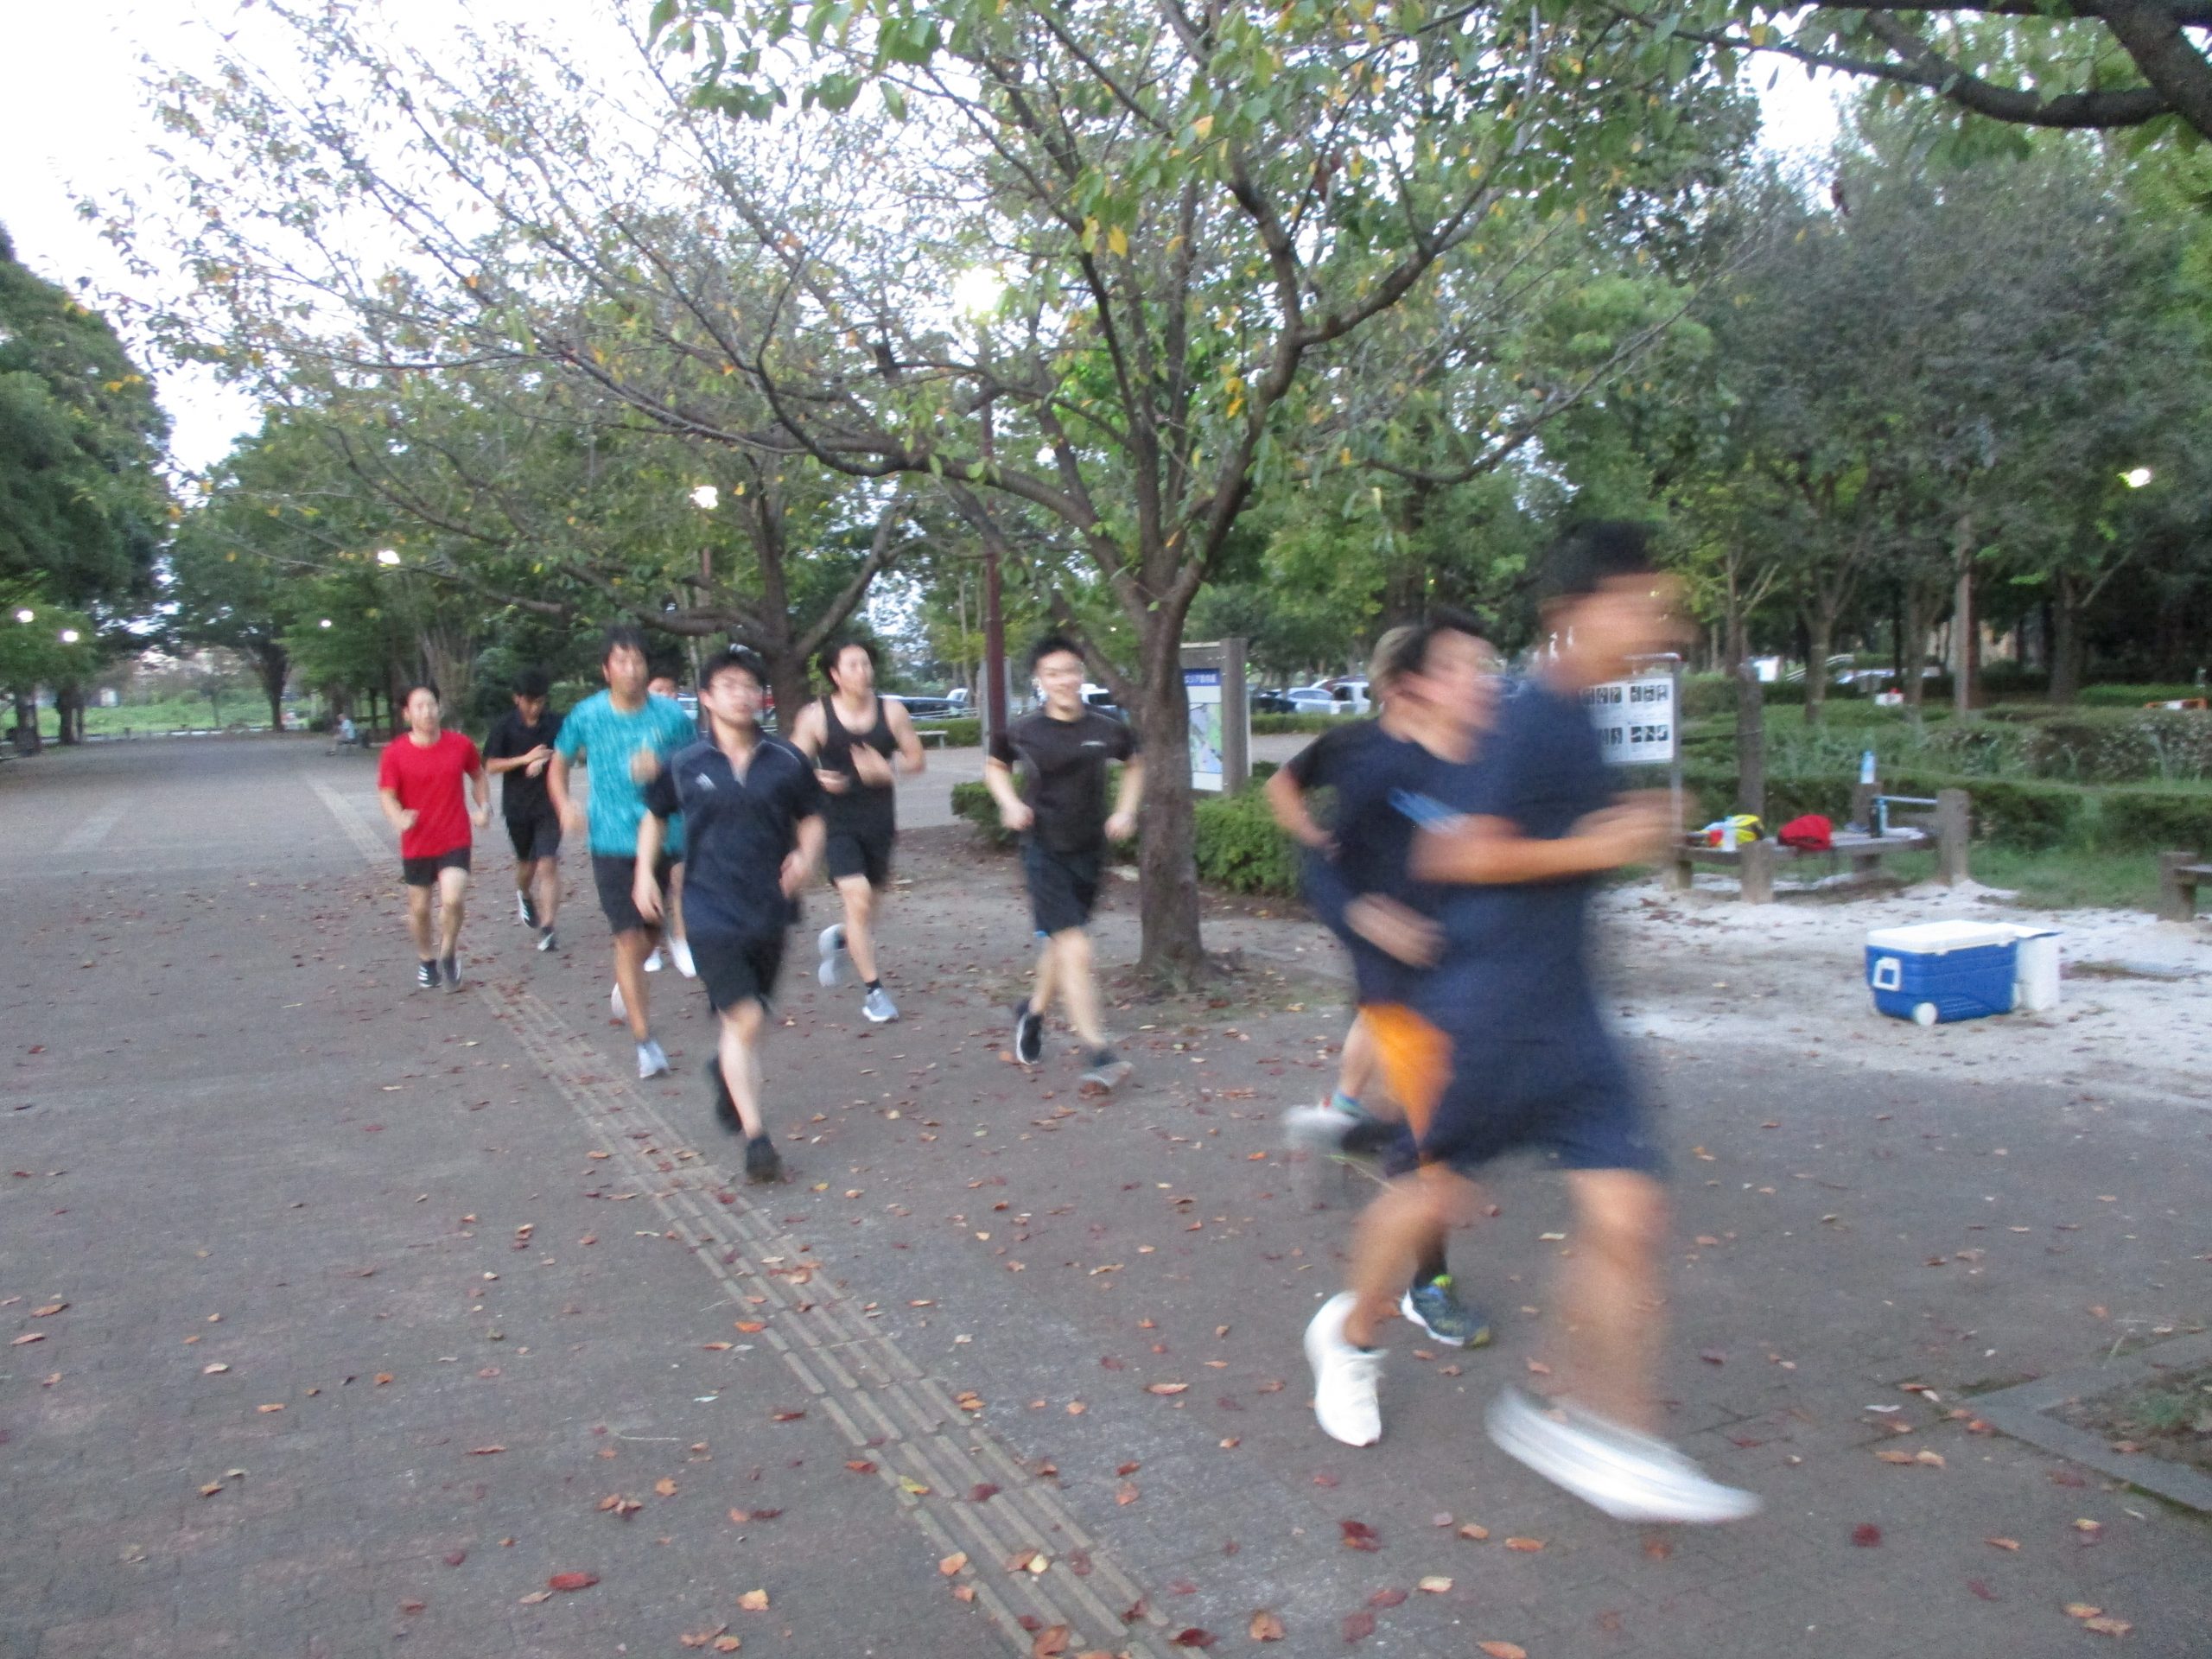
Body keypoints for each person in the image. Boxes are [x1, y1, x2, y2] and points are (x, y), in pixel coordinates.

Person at [1305, 523, 1759, 1525]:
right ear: (1577, 609)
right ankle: (1350, 1334)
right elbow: (1456, 856)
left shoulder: (1580, 723)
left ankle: (1603, 1427)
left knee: (1630, 1217)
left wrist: (1604, 838)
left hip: (1572, 1020)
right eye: (1641, 599)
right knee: (1430, 1200)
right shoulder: (1529, 722)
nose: (1660, 620)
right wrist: (1603, 839)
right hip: (1489, 1021)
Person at [1273, 619, 1498, 1351]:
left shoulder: (1474, 759)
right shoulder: (1367, 759)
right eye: (1464, 666)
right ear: (1413, 684)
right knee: (1436, 1148)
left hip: (1464, 976)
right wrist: (1364, 914)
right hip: (1393, 981)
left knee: (1445, 1132)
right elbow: (1323, 868)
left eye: (1483, 665)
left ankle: (1343, 1131)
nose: (1481, 680)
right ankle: (1423, 1288)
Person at [637, 647, 823, 1185]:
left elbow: (812, 818)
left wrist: (806, 856)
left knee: (749, 1021)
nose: (742, 694)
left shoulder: (787, 760)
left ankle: (724, 1070)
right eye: (729, 684)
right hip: (707, 907)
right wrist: (644, 875)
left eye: (750, 685)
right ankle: (757, 1140)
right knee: (745, 1018)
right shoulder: (686, 762)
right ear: (708, 697)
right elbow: (654, 816)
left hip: (770, 907)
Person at [1268, 626, 1417, 1160]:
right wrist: (1313, 836)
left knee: (1379, 1010)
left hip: (1422, 908)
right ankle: (1384, 1124)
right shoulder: (1352, 745)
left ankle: (1351, 1111)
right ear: (1395, 683)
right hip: (1370, 907)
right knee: (1388, 1008)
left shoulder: (1452, 748)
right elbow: (1281, 784)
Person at [986, 635, 1143, 1091]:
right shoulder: (1023, 730)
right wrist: (1008, 802)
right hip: (1042, 849)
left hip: (1090, 848)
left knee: (1061, 943)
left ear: (1082, 674)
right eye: (1053, 673)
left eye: (1071, 670)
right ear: (1039, 680)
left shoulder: (1108, 726)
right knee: (1076, 946)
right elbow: (996, 766)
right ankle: (1097, 1050)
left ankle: (1032, 1013)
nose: (1064, 680)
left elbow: (1136, 764)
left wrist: (1126, 809)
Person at [548, 628, 698, 1080]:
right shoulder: (587, 714)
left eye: (638, 661)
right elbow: (558, 763)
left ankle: (626, 976)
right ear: (606, 669)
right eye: (621, 661)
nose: (631, 670)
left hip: (666, 837)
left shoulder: (671, 717)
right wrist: (564, 804)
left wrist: (665, 767)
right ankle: (644, 1042)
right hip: (612, 840)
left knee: (649, 936)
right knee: (630, 939)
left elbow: (698, 763)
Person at [788, 639, 925, 1023]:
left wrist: (889, 771)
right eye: (852, 665)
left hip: (879, 822)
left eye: (866, 664)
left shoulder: (891, 711)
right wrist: (816, 778)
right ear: (834, 674)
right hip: (835, 822)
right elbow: (791, 765)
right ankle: (874, 992)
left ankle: (841, 940)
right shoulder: (816, 716)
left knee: (867, 910)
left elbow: (916, 759)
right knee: (858, 898)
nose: (862, 672)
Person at [375, 683, 490, 990]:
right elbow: (387, 794)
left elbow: (478, 775)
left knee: (452, 899)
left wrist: (484, 807)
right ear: (407, 713)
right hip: (418, 841)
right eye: (419, 707)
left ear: (439, 708)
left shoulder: (460, 745)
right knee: (420, 909)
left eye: (431, 705)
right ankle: (427, 958)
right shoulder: (395, 753)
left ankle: (448, 952)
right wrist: (398, 817)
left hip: (454, 837)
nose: (427, 712)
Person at [482, 667, 563, 952]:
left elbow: (570, 749)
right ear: (517, 699)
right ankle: (524, 893)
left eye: (540, 701)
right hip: (517, 807)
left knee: (548, 863)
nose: (535, 707)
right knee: (526, 866)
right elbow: (490, 765)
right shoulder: (504, 727)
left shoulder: (555, 723)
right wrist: (524, 760)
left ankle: (548, 927)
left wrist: (546, 757)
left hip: (550, 804)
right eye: (529, 701)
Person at [642, 672, 699, 980]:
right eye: (658, 689)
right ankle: (650, 944)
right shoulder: (635, 723)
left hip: (680, 814)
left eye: (671, 688)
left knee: (681, 878)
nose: (667, 694)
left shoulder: (684, 725)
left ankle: (681, 939)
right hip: (644, 814)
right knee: (650, 881)